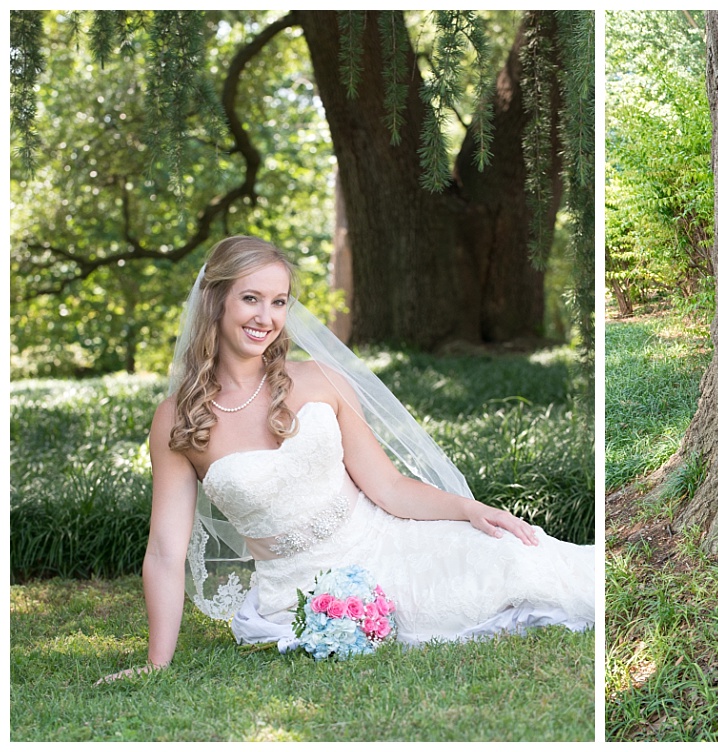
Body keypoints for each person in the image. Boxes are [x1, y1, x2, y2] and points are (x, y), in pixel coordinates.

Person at [101, 236, 593, 681]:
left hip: (384, 541)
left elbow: (389, 487)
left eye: (278, 302)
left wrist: (470, 510)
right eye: (250, 298)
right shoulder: (179, 419)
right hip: (295, 593)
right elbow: (166, 551)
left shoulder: (320, 379)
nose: (265, 317)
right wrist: (154, 665)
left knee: (513, 560)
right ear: (216, 301)